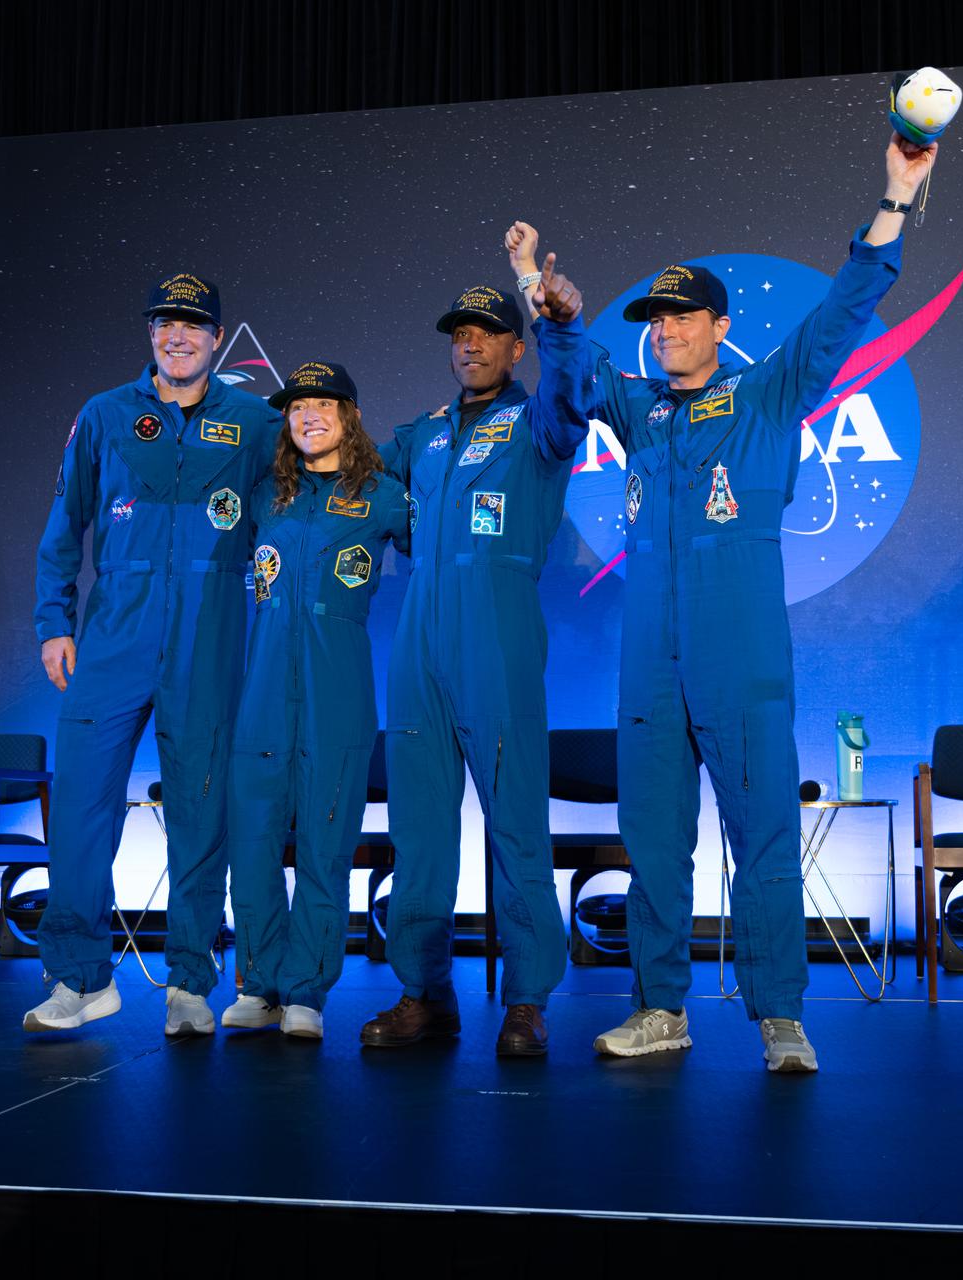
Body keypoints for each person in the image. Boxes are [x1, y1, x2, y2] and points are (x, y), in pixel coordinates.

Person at [529, 134, 940, 1072]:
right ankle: (659, 1008)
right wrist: (551, 312)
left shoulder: (765, 396)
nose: (665, 330)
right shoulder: (640, 411)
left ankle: (780, 1019)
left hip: (740, 653)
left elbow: (847, 307)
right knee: (654, 842)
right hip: (650, 660)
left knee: (763, 836)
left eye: (681, 318)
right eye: (656, 321)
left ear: (719, 326)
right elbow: (581, 375)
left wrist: (895, 197)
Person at [26, 273, 278, 1037]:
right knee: (79, 803)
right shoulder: (106, 415)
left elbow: (282, 525)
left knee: (200, 809)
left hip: (211, 622)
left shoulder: (254, 420)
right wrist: (54, 621)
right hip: (115, 629)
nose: (178, 337)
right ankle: (79, 978)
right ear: (150, 334)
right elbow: (64, 526)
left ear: (215, 338)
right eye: (166, 324)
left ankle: (191, 983)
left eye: (194, 326)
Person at [360, 235, 588, 1056]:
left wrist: (554, 316)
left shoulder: (540, 422)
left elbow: (571, 384)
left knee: (516, 824)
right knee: (419, 829)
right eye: (459, 331)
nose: (469, 342)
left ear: (513, 345)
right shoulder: (418, 436)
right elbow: (351, 486)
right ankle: (425, 992)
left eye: (487, 331)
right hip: (419, 641)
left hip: (496, 638)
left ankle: (527, 1000)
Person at [220, 362, 409, 1040]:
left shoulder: (383, 496)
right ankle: (261, 982)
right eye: (297, 407)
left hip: (338, 687)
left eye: (323, 404)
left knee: (327, 843)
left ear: (350, 415)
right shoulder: (265, 494)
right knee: (256, 839)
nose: (308, 416)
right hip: (265, 687)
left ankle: (307, 990)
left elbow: (438, 561)